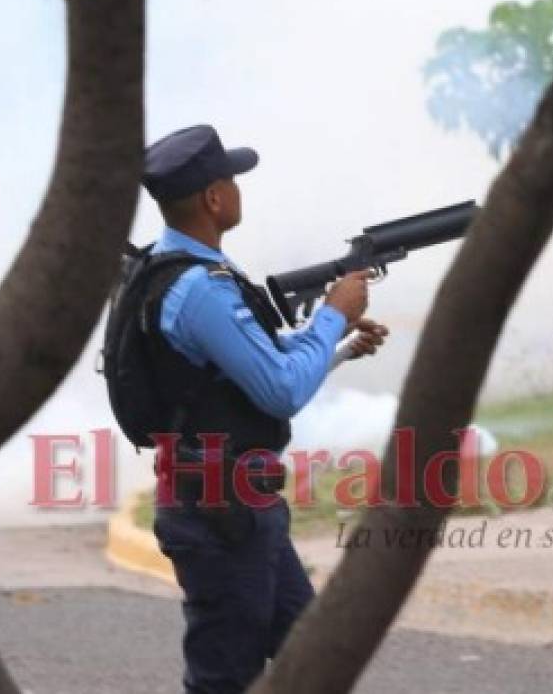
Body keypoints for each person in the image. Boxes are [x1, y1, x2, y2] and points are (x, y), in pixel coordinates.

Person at [138, 124, 389, 694]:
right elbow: (278, 390)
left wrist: (338, 346)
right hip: (219, 511)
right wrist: (331, 315)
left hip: (237, 505)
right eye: (231, 178)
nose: (238, 187)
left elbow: (254, 370)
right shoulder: (199, 289)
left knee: (314, 657)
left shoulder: (182, 272)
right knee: (224, 680)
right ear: (214, 198)